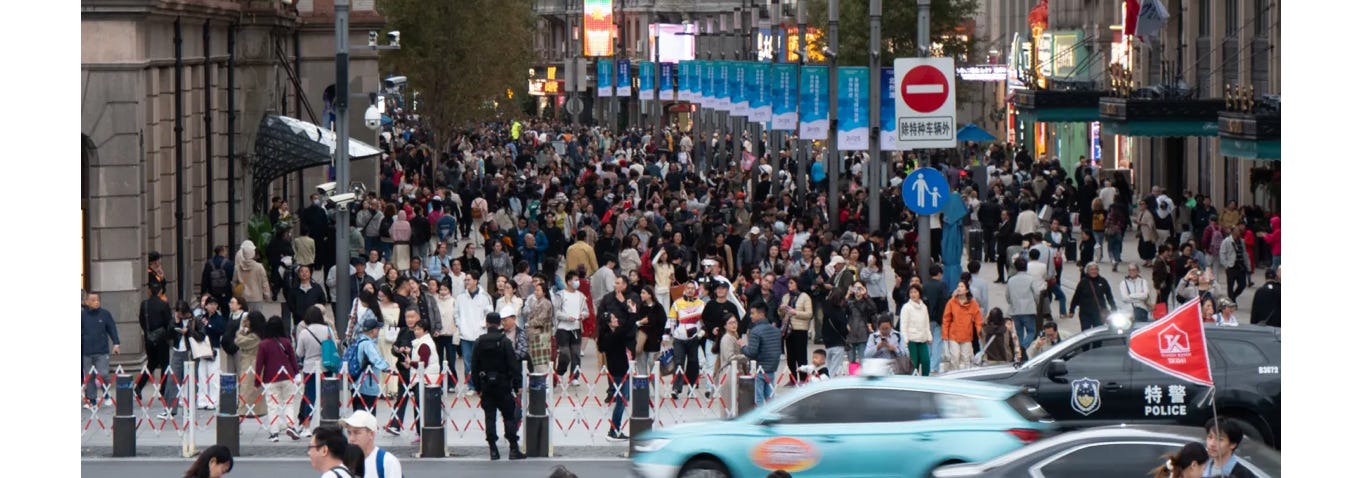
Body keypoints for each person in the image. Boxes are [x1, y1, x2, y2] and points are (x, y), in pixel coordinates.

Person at [471, 312, 526, 460]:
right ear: (499, 323)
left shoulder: (479, 342)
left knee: (490, 417)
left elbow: (474, 367)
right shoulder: (504, 342)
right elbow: (513, 365)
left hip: (486, 385)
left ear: (487, 323)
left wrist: (477, 387)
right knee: (509, 416)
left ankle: (493, 450)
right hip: (503, 385)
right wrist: (517, 385)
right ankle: (513, 448)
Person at [255, 315, 301, 442]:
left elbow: (259, 364)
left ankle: (274, 432)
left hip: (271, 378)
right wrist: (297, 374)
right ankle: (291, 426)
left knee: (272, 405)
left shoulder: (263, 344)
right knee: (289, 403)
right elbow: (293, 359)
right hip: (288, 376)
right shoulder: (286, 342)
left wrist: (257, 380)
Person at [456, 273, 496, 395]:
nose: (466, 282)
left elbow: (489, 314)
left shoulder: (485, 296)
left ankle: (482, 385)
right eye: (465, 280)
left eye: (469, 279)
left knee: (482, 361)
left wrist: (482, 325)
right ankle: (471, 386)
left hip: (480, 334)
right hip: (465, 335)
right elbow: (456, 314)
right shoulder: (460, 297)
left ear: (476, 281)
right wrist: (461, 326)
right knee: (467, 362)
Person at [598, 310, 633, 441]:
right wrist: (632, 313)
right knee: (621, 400)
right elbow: (628, 328)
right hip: (619, 371)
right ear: (608, 323)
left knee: (622, 399)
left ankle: (615, 429)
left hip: (618, 370)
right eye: (613, 318)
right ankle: (614, 430)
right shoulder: (613, 336)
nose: (616, 319)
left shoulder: (607, 335)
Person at [667, 281, 706, 398]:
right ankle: (676, 389)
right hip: (679, 338)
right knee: (678, 363)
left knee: (693, 363)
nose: (690, 290)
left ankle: (691, 388)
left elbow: (705, 321)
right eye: (688, 288)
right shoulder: (677, 303)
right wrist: (667, 335)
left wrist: (702, 332)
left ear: (696, 290)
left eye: (692, 288)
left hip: (694, 338)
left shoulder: (701, 304)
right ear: (684, 289)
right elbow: (671, 320)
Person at [136, 283, 174, 401]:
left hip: (149, 338)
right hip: (162, 338)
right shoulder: (164, 304)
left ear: (149, 291)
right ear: (160, 291)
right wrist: (168, 336)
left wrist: (149, 333)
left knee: (151, 363)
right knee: (165, 364)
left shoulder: (144, 304)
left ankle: (139, 386)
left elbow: (141, 320)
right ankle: (162, 391)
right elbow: (168, 322)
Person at [82, 292, 120, 409]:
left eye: (98, 300)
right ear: (86, 302)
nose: (96, 302)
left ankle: (106, 394)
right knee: (89, 377)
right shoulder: (82, 316)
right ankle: (92, 400)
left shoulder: (105, 314)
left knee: (103, 373)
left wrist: (116, 343)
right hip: (87, 351)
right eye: (93, 300)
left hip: (102, 350)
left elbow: (112, 328)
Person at [740, 305, 782, 406]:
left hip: (759, 369)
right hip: (772, 368)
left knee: (758, 399)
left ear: (761, 314)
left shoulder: (755, 331)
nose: (750, 316)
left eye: (753, 313)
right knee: (770, 398)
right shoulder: (776, 331)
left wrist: (743, 346)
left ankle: (759, 415)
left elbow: (751, 352)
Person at [349, 317, 391, 414]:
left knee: (358, 413)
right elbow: (376, 359)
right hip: (367, 384)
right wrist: (387, 367)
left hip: (356, 382)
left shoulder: (358, 340)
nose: (379, 331)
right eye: (377, 329)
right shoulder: (368, 344)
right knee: (368, 415)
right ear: (373, 331)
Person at [555, 271, 590, 387]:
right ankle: (560, 373)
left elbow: (586, 311)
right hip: (563, 328)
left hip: (576, 328)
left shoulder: (581, 296)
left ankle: (574, 377)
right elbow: (556, 312)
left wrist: (583, 315)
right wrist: (566, 317)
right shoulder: (560, 295)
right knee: (565, 353)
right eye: (575, 280)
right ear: (569, 282)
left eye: (577, 280)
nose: (577, 282)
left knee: (576, 354)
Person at [940, 282, 983, 373]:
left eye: (962, 286)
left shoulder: (973, 303)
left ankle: (965, 377)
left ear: (966, 290)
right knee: (954, 358)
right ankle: (954, 375)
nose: (959, 288)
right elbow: (946, 320)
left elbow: (978, 319)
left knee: (966, 359)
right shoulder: (951, 302)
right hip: (953, 335)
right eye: (958, 286)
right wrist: (945, 336)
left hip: (967, 336)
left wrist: (979, 333)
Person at [234, 311, 268, 417]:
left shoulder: (255, 337)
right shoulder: (256, 334)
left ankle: (245, 410)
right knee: (249, 387)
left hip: (251, 363)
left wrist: (240, 330)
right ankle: (253, 409)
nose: (246, 322)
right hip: (250, 362)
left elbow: (239, 341)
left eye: (248, 320)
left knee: (247, 387)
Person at [779, 278, 813, 382]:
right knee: (790, 356)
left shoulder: (805, 297)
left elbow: (809, 314)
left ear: (797, 284)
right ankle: (792, 379)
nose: (789, 285)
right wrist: (781, 309)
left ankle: (803, 379)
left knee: (801, 356)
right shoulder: (786, 297)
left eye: (791, 283)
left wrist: (795, 312)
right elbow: (781, 315)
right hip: (788, 330)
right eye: (788, 283)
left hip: (800, 329)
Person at [196, 298, 227, 410]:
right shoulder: (201, 317)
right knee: (202, 375)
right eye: (210, 304)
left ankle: (213, 401)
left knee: (213, 376)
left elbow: (221, 330)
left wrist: (208, 325)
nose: (213, 306)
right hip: (202, 348)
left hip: (214, 348)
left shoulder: (219, 318)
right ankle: (202, 400)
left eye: (215, 304)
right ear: (206, 306)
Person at [1069, 263, 1117, 330]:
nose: (1094, 271)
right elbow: (1076, 297)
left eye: (1095, 269)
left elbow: (1109, 296)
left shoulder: (1103, 281)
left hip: (1099, 313)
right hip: (1085, 313)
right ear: (1087, 271)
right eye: (1091, 269)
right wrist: (1072, 310)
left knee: (1098, 331)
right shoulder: (1083, 282)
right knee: (1086, 332)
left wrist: (1114, 308)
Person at [898, 285, 932, 376]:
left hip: (922, 339)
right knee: (914, 363)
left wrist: (929, 336)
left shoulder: (924, 307)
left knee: (926, 361)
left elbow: (926, 323)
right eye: (911, 292)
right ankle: (913, 380)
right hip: (911, 340)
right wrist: (905, 340)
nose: (913, 294)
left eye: (915, 292)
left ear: (919, 294)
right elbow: (903, 325)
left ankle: (926, 379)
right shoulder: (906, 307)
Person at [714, 315, 743, 406]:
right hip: (729, 375)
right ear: (725, 326)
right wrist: (744, 357)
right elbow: (730, 357)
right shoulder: (727, 338)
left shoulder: (735, 336)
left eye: (735, 322)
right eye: (730, 323)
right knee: (729, 405)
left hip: (735, 374)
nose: (734, 325)